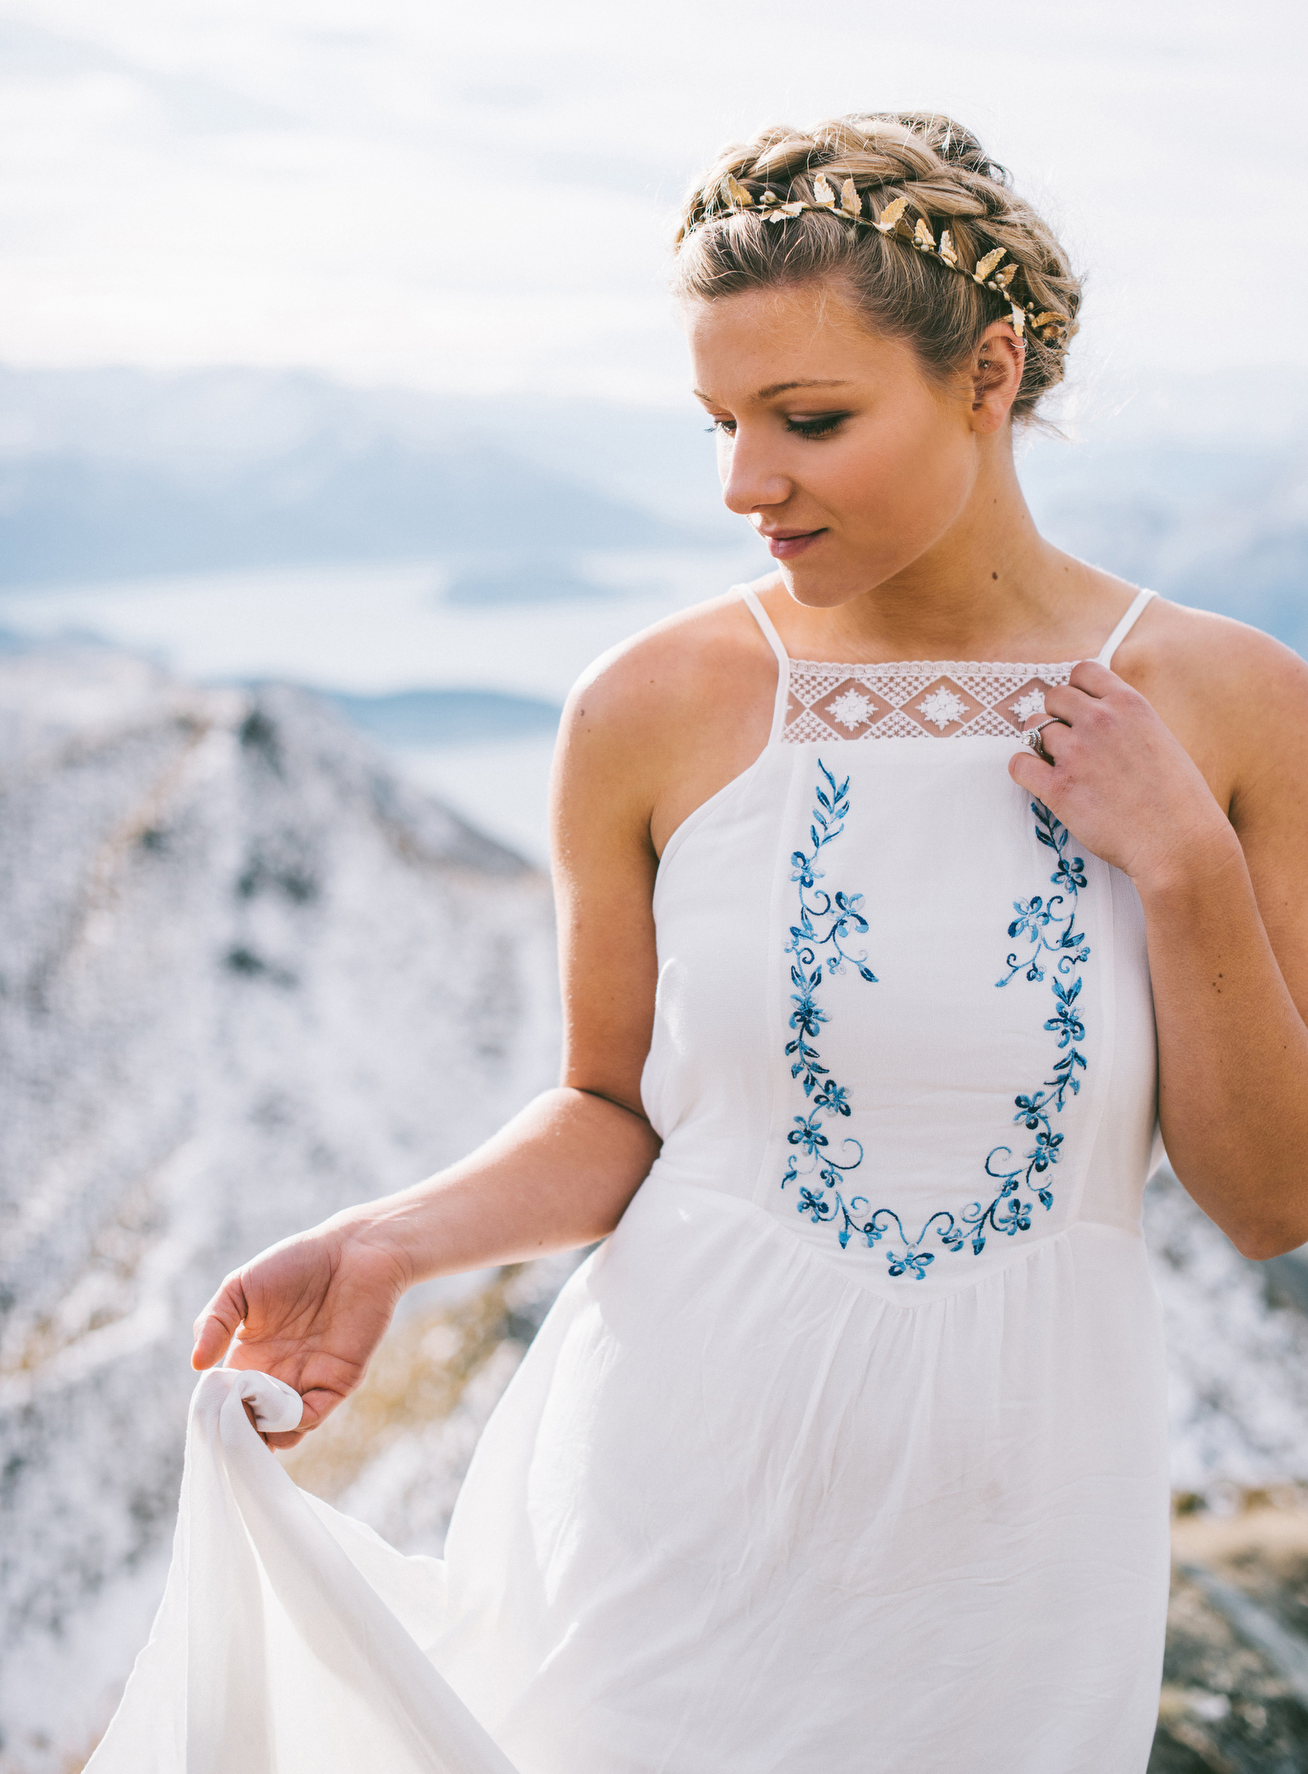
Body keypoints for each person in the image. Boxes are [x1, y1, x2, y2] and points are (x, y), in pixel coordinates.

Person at [105, 114, 1308, 1773]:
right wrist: (390, 1240)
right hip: (672, 1486)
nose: (746, 484)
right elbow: (613, 1111)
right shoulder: (647, 708)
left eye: (809, 420)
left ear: (992, 372)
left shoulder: (1236, 705)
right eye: (722, 423)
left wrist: (1181, 856)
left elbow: (1272, 1195)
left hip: (1021, 1530)